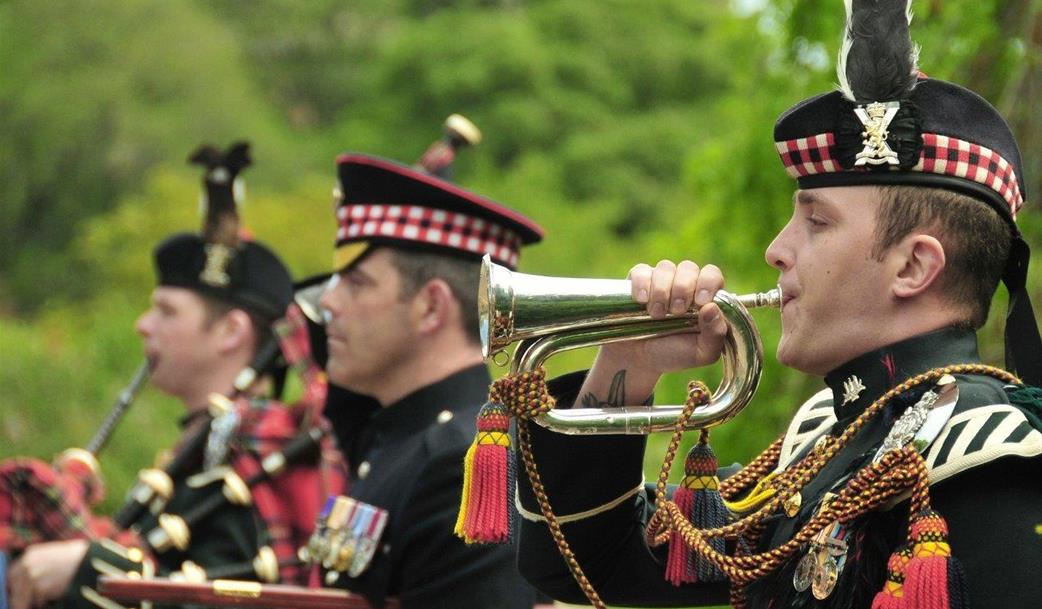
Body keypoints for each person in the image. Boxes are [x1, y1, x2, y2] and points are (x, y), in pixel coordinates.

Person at [509, 3, 1042, 609]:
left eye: (815, 221)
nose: (776, 250)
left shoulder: (989, 457)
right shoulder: (823, 438)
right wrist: (626, 366)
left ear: (914, 267)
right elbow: (584, 571)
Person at [6, 143, 347, 609]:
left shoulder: (254, 450)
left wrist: (88, 568)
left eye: (166, 310)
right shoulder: (201, 449)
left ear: (230, 332)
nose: (143, 324)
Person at [309, 119, 548, 609]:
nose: (326, 301)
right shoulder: (394, 436)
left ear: (432, 307)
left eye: (356, 283)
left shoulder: (465, 464)